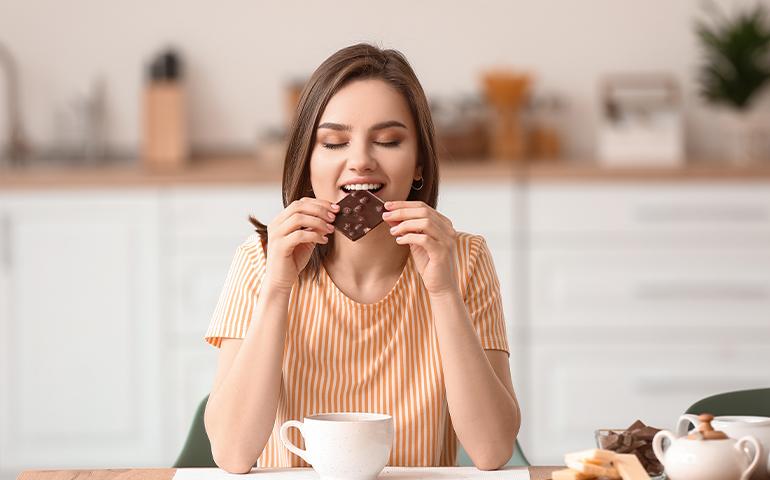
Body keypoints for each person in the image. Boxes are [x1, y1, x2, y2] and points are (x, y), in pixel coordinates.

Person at [203, 43, 521, 474]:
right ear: (307, 161)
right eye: (334, 142)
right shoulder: (260, 260)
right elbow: (232, 454)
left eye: (388, 140)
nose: (361, 161)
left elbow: (493, 450)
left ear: (420, 162)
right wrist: (278, 288)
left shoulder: (463, 259)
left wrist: (443, 289)